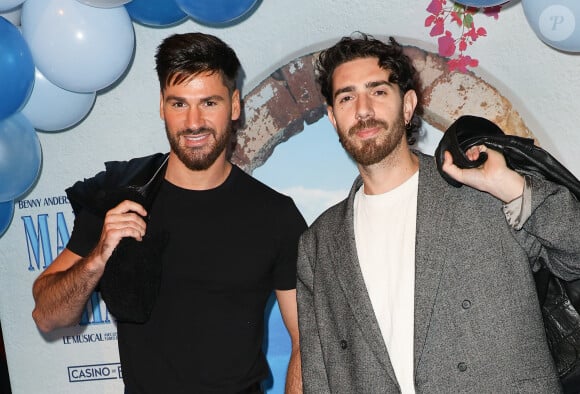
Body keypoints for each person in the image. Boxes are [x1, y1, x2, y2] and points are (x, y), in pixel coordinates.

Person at [296, 32, 580, 393]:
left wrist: (515, 188)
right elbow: (320, 375)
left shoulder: (481, 190)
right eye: (347, 97)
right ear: (333, 118)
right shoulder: (318, 244)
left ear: (408, 105)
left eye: (378, 91)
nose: (363, 109)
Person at [32, 32, 307, 394]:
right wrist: (97, 258)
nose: (193, 122)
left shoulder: (275, 215)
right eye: (179, 104)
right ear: (162, 106)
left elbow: (308, 341)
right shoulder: (122, 194)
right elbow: (47, 317)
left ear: (235, 105)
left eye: (209, 103)